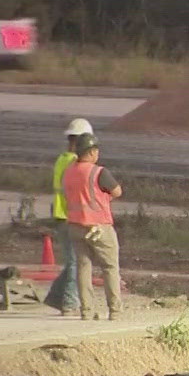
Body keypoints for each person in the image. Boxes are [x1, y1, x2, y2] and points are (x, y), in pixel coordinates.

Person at [63, 135, 124, 320]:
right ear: (91, 152)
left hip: (75, 225)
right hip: (98, 226)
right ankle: (115, 311)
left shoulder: (69, 172)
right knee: (110, 267)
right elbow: (117, 191)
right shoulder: (99, 172)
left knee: (83, 267)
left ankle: (86, 311)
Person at [43, 118, 93, 316]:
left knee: (73, 261)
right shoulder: (74, 162)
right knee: (76, 262)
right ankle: (69, 303)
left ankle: (56, 297)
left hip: (61, 214)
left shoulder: (62, 158)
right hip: (69, 215)